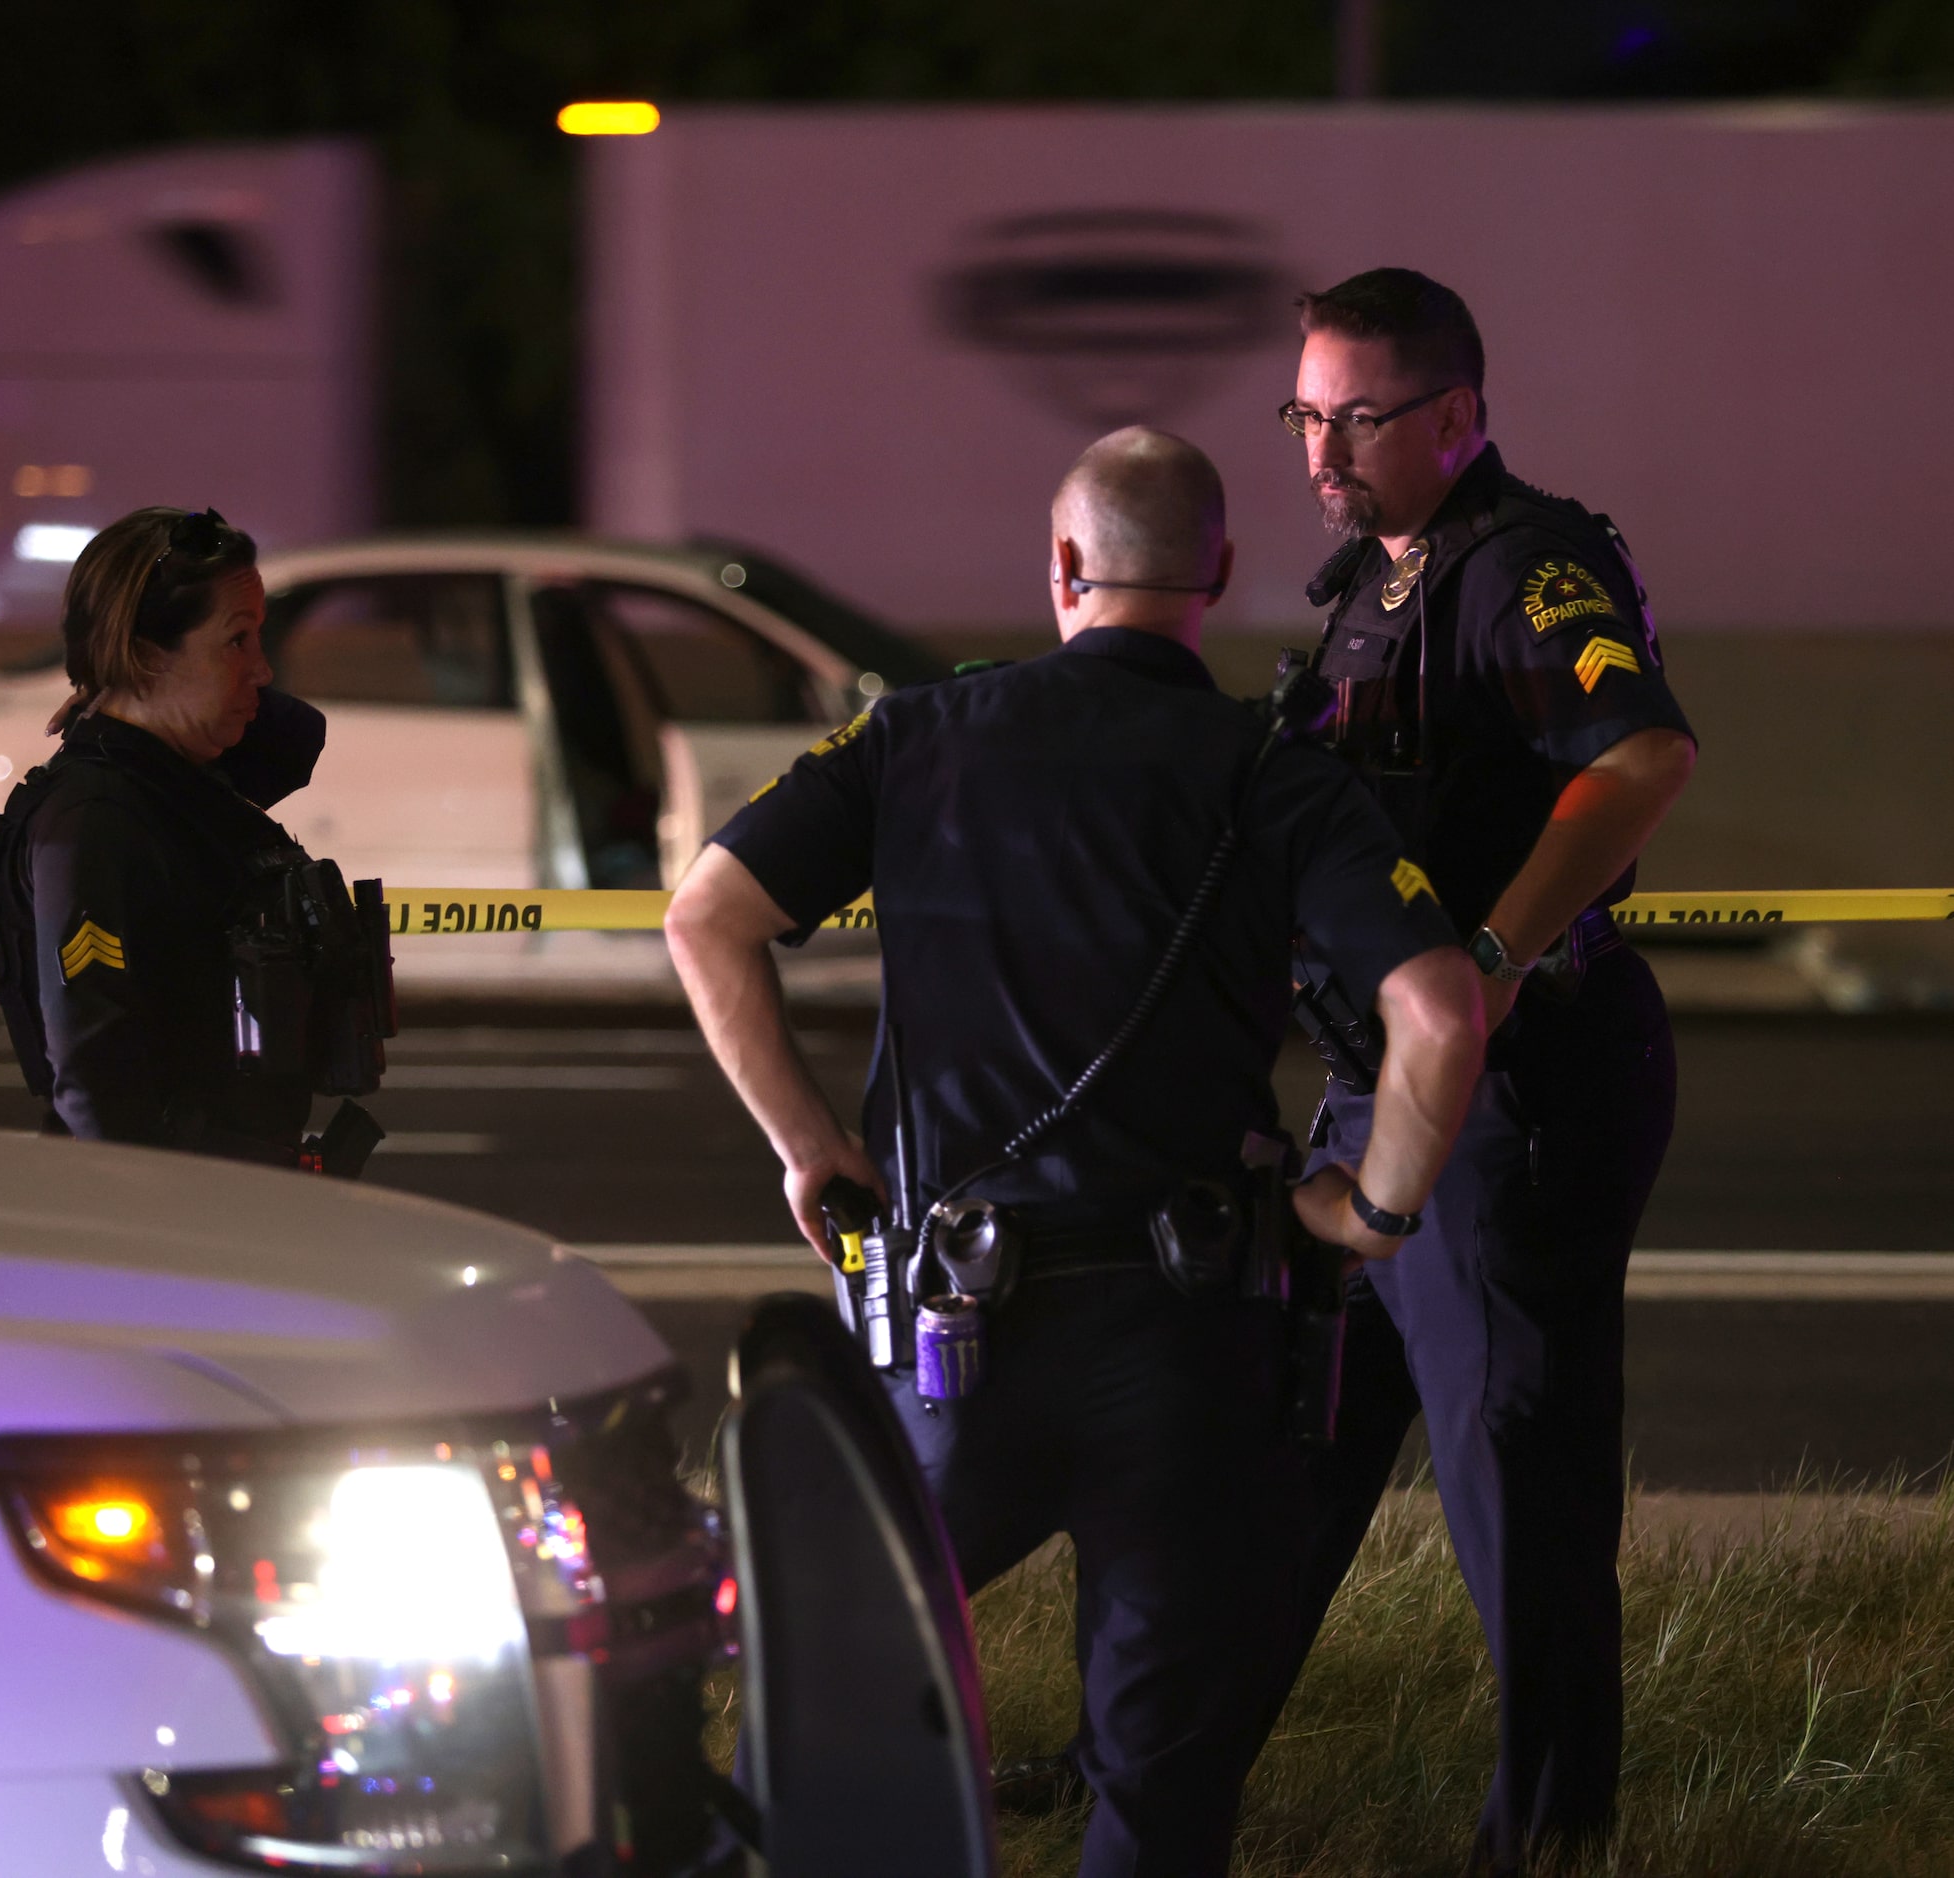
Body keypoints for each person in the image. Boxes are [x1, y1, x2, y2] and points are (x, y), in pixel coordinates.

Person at [664, 427, 1487, 1878]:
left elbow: (706, 916)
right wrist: (1372, 1208)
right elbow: (1436, 1005)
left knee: (832, 1701)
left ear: (1058, 564)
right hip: (1190, 1343)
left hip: (950, 1334)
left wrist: (812, 1147)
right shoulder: (1275, 776)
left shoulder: (913, 737)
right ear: (1217, 573)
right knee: (1160, 1786)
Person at [1277, 269, 1698, 1873]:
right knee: (1288, 1455)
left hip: (1515, 1095)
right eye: (1304, 412)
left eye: (1359, 415)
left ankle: (1549, 1830)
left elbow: (1642, 755)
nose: (1322, 446)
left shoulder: (1524, 566)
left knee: (1514, 1482)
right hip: (1383, 1088)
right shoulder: (1374, 579)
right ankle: (1152, 1760)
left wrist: (1500, 958)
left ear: (1455, 416)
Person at [0, 505, 389, 1167]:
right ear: (148, 654)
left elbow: (295, 740)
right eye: (237, 641)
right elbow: (96, 1084)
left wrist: (124, 690)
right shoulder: (94, 820)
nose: (261, 669)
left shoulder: (180, 781)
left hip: (236, 1195)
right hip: (175, 1215)